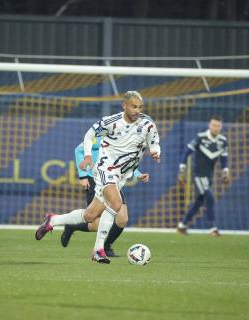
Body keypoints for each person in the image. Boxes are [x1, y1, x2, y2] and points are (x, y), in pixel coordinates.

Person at [36, 90, 161, 264]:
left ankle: (53, 220)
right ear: (124, 105)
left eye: (140, 107)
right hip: (105, 168)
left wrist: (155, 152)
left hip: (122, 175)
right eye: (133, 106)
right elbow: (89, 135)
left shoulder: (147, 125)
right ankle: (98, 250)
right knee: (116, 204)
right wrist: (87, 156)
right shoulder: (111, 122)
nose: (137, 110)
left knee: (90, 216)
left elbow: (154, 143)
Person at [60, 137, 149, 257]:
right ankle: (71, 226)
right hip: (96, 180)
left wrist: (138, 175)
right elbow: (79, 150)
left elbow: (126, 163)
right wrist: (83, 176)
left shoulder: (126, 139)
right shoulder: (102, 137)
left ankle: (106, 247)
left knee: (122, 219)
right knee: (94, 222)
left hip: (112, 181)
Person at [177, 115, 230, 236]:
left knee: (198, 202)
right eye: (214, 125)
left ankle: (182, 225)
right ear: (209, 125)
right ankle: (212, 228)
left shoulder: (223, 141)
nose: (216, 128)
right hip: (199, 175)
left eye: (218, 125)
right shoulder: (200, 137)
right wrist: (182, 170)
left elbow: (224, 159)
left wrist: (225, 172)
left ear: (221, 127)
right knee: (210, 198)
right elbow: (186, 153)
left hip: (209, 176)